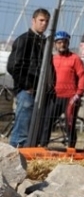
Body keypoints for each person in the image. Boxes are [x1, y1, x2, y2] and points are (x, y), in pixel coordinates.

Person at [6, 8, 51, 147]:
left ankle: (24, 153)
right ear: (33, 20)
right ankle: (16, 153)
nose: (44, 24)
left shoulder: (43, 42)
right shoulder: (24, 40)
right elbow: (13, 66)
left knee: (31, 128)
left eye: (46, 21)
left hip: (38, 90)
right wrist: (27, 85)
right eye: (41, 20)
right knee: (22, 130)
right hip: (27, 90)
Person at [45, 31, 84, 148]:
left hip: (71, 98)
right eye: (59, 42)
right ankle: (43, 145)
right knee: (47, 121)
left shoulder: (75, 59)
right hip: (55, 96)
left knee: (69, 123)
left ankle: (71, 148)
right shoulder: (52, 59)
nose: (62, 45)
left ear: (68, 43)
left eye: (64, 42)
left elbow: (82, 76)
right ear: (55, 44)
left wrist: (79, 93)